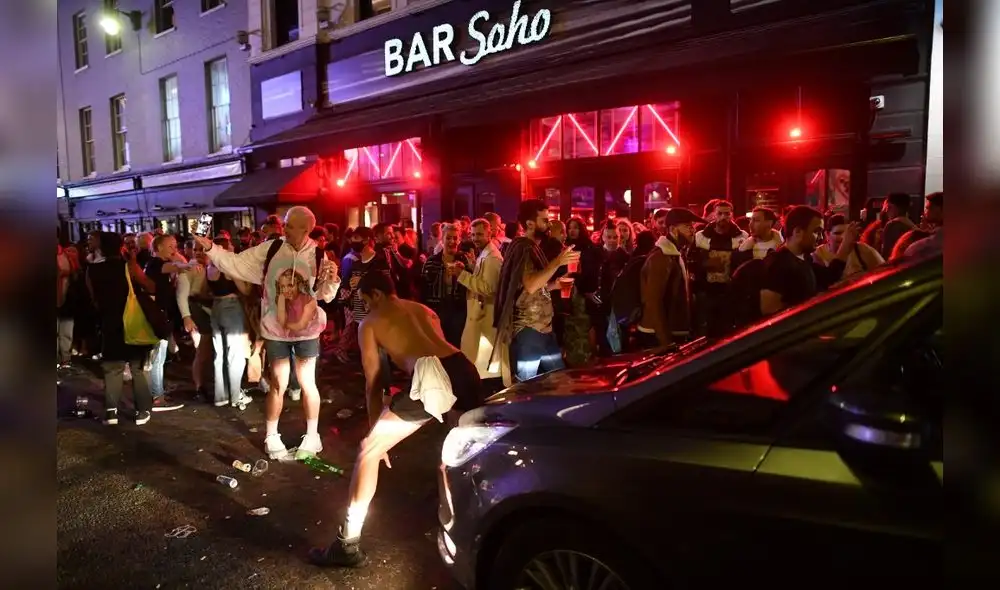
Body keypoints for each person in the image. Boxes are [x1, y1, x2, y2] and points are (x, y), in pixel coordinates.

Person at [309, 270, 483, 568]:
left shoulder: (370, 323)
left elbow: (373, 383)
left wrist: (377, 435)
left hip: (433, 377)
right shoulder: (423, 310)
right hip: (464, 368)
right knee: (464, 450)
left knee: (368, 450)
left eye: (366, 301)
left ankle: (346, 543)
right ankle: (470, 528)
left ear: (376, 294)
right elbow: (435, 353)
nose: (366, 308)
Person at [193, 206, 341, 460]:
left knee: (307, 384)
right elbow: (237, 263)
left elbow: (326, 296)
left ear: (307, 229)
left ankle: (312, 435)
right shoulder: (271, 249)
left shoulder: (318, 254)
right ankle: (271, 436)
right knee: (278, 384)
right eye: (286, 225)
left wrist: (333, 279)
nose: (288, 230)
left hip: (307, 331)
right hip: (275, 330)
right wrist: (210, 248)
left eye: (294, 226)